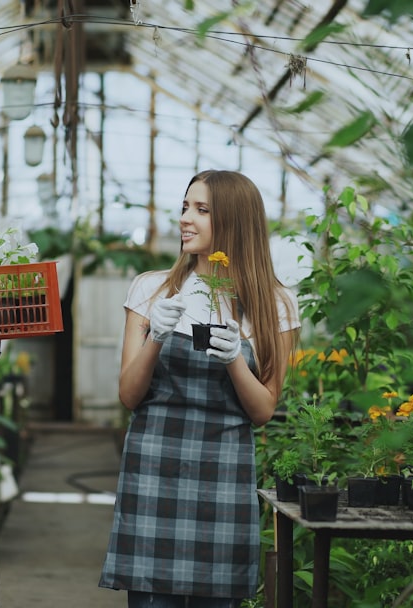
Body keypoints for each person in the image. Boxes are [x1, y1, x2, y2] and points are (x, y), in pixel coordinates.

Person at [99, 170, 301, 607]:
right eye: (186, 207)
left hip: (223, 476)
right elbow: (129, 395)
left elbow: (263, 409)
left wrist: (234, 361)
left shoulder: (274, 305)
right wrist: (156, 336)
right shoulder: (152, 290)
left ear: (233, 220)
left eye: (202, 210)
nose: (185, 219)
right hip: (154, 471)